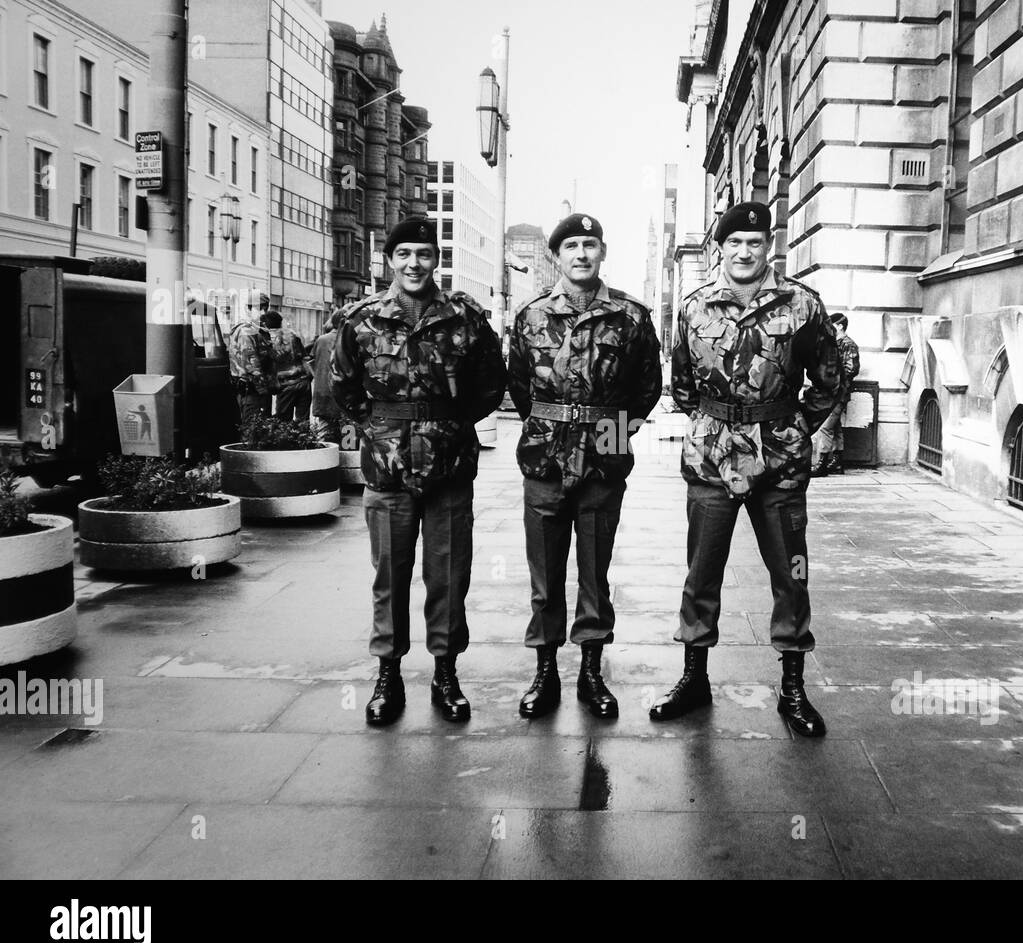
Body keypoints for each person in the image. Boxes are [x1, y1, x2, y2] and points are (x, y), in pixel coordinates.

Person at [655, 201, 846, 737]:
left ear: (769, 248)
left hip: (779, 459)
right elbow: (683, 385)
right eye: (734, 242)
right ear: (720, 248)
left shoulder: (802, 305)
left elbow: (828, 380)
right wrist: (712, 427)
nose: (744, 252)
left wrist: (791, 428)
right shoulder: (694, 308)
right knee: (702, 572)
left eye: (755, 243)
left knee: (792, 574)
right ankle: (694, 678)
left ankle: (792, 687)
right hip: (712, 457)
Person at [332, 216, 506, 725]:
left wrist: (447, 426)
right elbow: (343, 385)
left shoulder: (466, 317)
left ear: (436, 259)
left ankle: (446, 673)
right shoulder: (362, 319)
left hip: (450, 469)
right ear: (390, 260)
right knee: (389, 575)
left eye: (424, 254)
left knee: (449, 575)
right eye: (404, 254)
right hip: (387, 471)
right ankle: (388, 674)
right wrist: (380, 429)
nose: (414, 264)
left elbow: (491, 384)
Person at [507, 213, 663, 719]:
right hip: (545, 458)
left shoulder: (631, 316)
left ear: (601, 252)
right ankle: (545, 669)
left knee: (595, 569)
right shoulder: (530, 316)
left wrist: (620, 430)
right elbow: (519, 388)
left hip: (603, 455)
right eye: (571, 245)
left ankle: (591, 670)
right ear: (557, 255)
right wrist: (548, 427)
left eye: (589, 245)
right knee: (546, 573)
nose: (581, 254)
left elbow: (647, 387)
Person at [813, 311, 859, 476]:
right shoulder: (833, 343)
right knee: (835, 427)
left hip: (838, 392)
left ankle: (821, 464)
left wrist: (831, 380)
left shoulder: (848, 344)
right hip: (831, 392)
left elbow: (851, 368)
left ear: (839, 326)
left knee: (825, 427)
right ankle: (837, 462)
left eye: (831, 325)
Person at [228, 296, 275, 424]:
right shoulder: (246, 331)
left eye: (265, 308)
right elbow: (252, 365)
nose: (263, 313)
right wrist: (265, 389)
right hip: (252, 390)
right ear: (248, 309)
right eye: (259, 309)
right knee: (253, 432)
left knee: (262, 430)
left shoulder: (260, 330)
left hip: (260, 390)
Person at [265, 311, 310, 421]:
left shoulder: (267, 339)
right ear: (280, 322)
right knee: (303, 422)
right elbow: (304, 357)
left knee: (284, 423)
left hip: (285, 385)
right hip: (303, 382)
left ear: (266, 324)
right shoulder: (292, 334)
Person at [306, 310, 343, 443]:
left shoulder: (322, 339)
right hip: (344, 394)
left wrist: (317, 376)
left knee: (324, 433)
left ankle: (324, 457)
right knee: (347, 434)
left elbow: (310, 361)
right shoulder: (350, 339)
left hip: (322, 391)